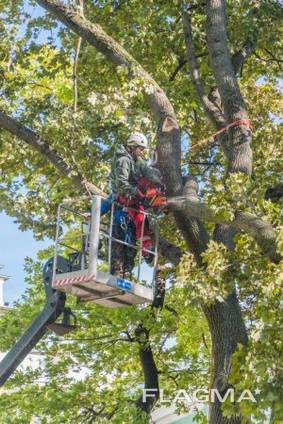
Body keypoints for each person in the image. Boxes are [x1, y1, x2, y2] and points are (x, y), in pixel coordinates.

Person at [109, 132, 164, 275]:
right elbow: (122, 184)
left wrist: (157, 180)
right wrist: (137, 191)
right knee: (139, 219)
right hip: (124, 197)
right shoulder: (123, 161)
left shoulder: (136, 160)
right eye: (140, 149)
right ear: (132, 147)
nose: (141, 152)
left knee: (142, 221)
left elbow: (146, 170)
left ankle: (144, 252)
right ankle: (145, 250)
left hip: (133, 198)